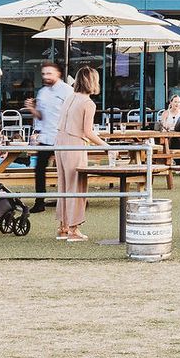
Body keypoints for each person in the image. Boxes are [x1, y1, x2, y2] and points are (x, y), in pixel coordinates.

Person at [52, 68, 101, 242]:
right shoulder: (88, 103)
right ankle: (74, 229)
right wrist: (107, 146)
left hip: (60, 141)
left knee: (64, 184)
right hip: (74, 143)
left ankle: (63, 226)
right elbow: (88, 131)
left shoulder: (69, 97)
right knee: (77, 185)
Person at [30, 61, 70, 212]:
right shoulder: (42, 92)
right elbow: (40, 116)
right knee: (39, 169)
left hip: (62, 138)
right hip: (46, 138)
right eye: (44, 74)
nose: (46, 76)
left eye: (49, 73)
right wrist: (32, 109)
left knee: (67, 171)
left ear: (58, 74)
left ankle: (70, 200)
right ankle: (39, 202)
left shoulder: (67, 91)